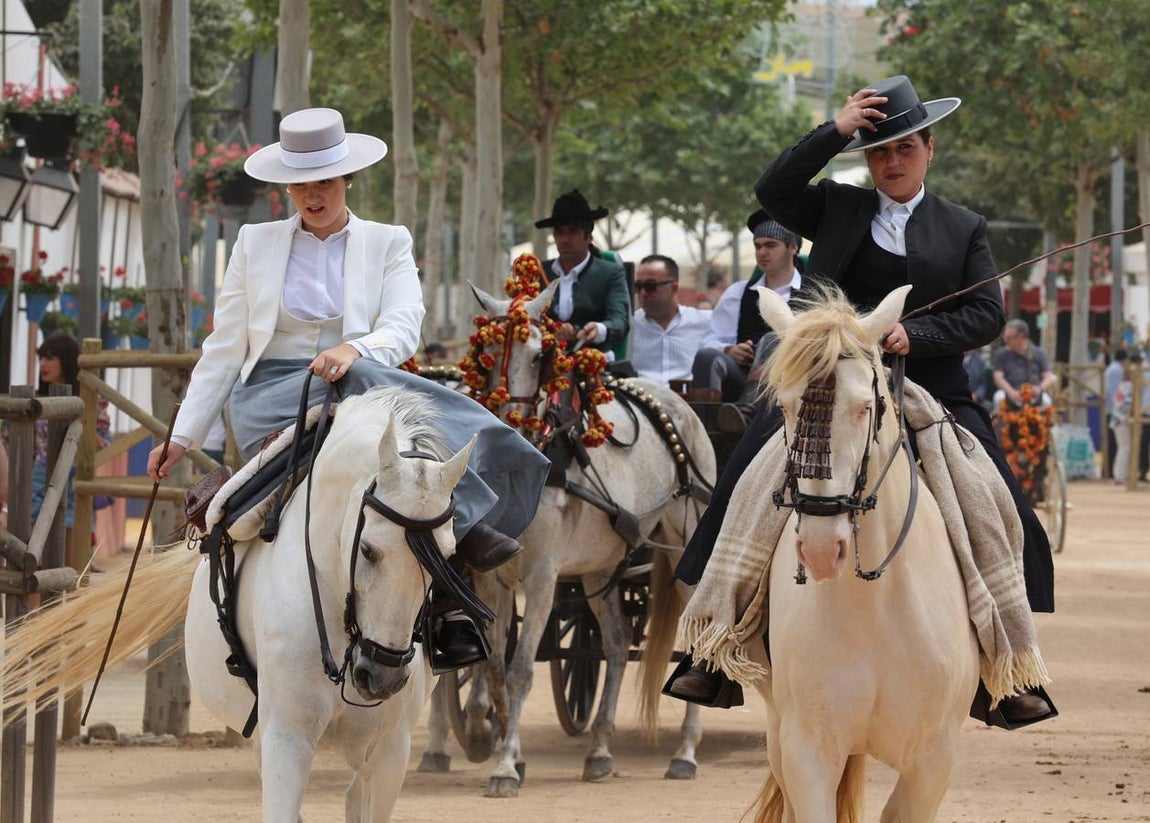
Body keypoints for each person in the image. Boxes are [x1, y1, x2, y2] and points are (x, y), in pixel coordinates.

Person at [668, 75, 1055, 724]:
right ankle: (713, 645)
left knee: (993, 495)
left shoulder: (964, 228)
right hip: (829, 390)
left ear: (929, 148)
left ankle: (1007, 664)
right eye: (877, 152)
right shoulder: (838, 210)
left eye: (903, 148)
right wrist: (837, 129)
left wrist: (915, 333)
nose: (891, 162)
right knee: (751, 475)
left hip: (931, 391)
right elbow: (773, 190)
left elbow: (986, 313)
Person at [146, 108, 550, 670]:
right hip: (271, 394)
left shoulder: (389, 241)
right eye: (302, 184)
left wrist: (354, 349)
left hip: (361, 382)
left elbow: (405, 323)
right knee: (389, 395)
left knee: (372, 390)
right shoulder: (252, 243)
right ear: (287, 186)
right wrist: (183, 437)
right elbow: (224, 348)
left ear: (348, 180)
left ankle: (438, 594)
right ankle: (473, 519)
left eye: (325, 181)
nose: (313, 194)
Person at [690, 212, 802, 426]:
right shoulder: (738, 292)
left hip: (793, 380)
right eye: (757, 246)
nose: (762, 252)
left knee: (772, 340)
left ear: (793, 248)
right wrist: (729, 350)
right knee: (706, 356)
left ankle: (745, 413)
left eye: (770, 245)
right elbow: (709, 340)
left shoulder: (809, 291)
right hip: (741, 376)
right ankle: (706, 430)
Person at [534, 189, 631, 357]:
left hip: (592, 364)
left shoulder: (611, 273)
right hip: (541, 364)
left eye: (572, 231)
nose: (565, 239)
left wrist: (598, 329)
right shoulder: (537, 272)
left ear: (588, 237)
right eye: (559, 232)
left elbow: (619, 322)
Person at [629, 254, 711, 386]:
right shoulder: (629, 325)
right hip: (639, 401)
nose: (643, 293)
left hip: (688, 403)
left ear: (674, 288)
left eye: (651, 286)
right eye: (638, 287)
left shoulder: (706, 322)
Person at [991, 319, 1057, 408]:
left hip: (1034, 394)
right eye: (1005, 337)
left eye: (1009, 338)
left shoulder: (1038, 353)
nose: (1006, 341)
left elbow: (1050, 377)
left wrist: (1039, 388)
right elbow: (998, 377)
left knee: (1047, 401)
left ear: (1021, 337)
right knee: (998, 398)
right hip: (1009, 393)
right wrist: (1011, 392)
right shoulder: (1002, 354)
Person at [1105, 349, 1129, 477]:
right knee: (1120, 445)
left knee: (1115, 444)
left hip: (1113, 411)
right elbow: (1115, 393)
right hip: (1117, 412)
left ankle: (1110, 471)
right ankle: (1116, 473)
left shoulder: (1111, 369)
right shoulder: (1117, 371)